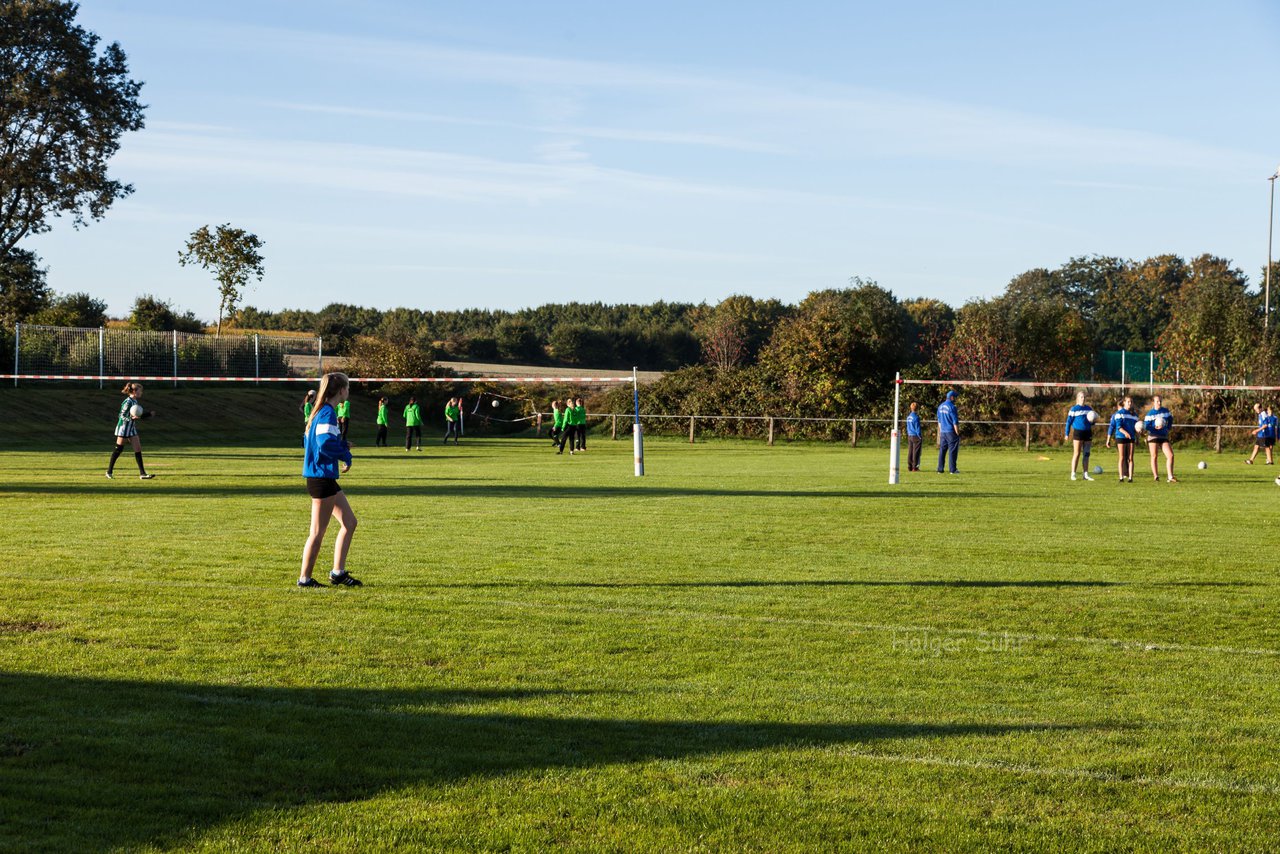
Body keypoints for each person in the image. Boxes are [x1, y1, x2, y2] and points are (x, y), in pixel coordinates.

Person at [299, 372, 361, 588]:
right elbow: (324, 444)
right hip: (320, 478)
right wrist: (344, 451)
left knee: (350, 523)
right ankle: (304, 579)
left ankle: (338, 573)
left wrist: (342, 446)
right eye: (348, 388)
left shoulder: (322, 411)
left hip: (324, 477)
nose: (349, 392)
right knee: (317, 532)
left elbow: (311, 441)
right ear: (341, 390)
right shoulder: (326, 413)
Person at [106, 381, 157, 480]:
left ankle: (142, 474)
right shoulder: (128, 402)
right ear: (134, 391)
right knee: (118, 449)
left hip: (131, 428)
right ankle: (109, 472)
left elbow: (137, 415)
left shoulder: (135, 401)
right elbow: (121, 415)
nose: (141, 393)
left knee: (138, 449)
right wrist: (131, 418)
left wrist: (148, 414)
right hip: (124, 428)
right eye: (140, 391)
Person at [1105, 396, 1139, 483]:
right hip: (1121, 437)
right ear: (1124, 403)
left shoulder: (1134, 415)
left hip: (1131, 437)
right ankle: (1121, 477)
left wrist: (1138, 435)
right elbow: (1118, 427)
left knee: (1131, 458)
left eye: (1131, 402)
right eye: (1128, 402)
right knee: (1122, 457)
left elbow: (1137, 427)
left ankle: (1130, 478)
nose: (1130, 403)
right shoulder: (1119, 413)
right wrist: (1126, 433)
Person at [1143, 395, 1177, 483]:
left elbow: (1170, 419)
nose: (1159, 403)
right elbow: (1146, 426)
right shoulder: (1150, 414)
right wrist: (1155, 428)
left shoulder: (1165, 411)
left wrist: (1168, 428)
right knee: (1154, 456)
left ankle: (1170, 476)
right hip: (1153, 435)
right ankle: (1156, 476)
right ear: (1153, 403)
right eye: (1157, 401)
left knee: (1170, 455)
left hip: (1163, 436)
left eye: (1160, 401)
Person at [1064, 391, 1096, 481]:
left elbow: (1092, 421)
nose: (1083, 399)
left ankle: (1085, 474)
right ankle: (1073, 474)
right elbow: (1068, 422)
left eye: (1084, 397)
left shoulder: (1089, 409)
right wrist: (1066, 433)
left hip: (1088, 432)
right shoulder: (1074, 409)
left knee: (1086, 454)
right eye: (1081, 397)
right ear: (1077, 398)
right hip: (1078, 432)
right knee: (1077, 453)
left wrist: (1093, 420)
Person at [936, 390, 960, 474]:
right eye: (955, 397)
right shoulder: (952, 407)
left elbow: (939, 421)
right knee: (952, 451)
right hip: (951, 432)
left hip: (943, 432)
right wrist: (957, 432)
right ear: (952, 397)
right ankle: (952, 470)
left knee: (942, 451)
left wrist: (941, 430)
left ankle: (940, 469)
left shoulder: (940, 406)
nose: (956, 399)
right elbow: (954, 422)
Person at [905, 401, 922, 472]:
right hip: (915, 436)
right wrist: (919, 435)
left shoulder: (908, 417)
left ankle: (909, 466)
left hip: (910, 435)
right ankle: (915, 467)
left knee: (910, 451)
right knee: (916, 452)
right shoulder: (916, 417)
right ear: (917, 409)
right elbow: (917, 428)